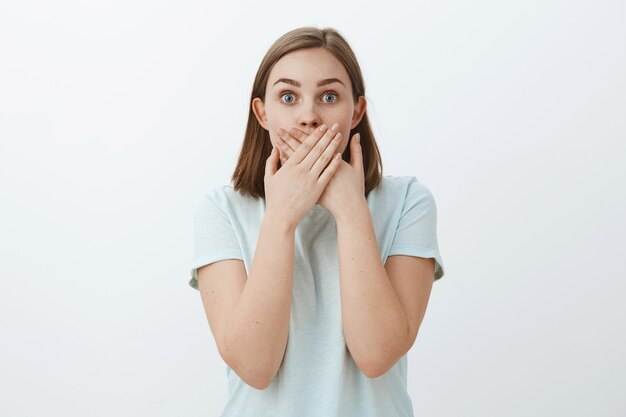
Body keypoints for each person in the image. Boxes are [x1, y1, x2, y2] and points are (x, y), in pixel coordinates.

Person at [188, 26, 445, 417]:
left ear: (356, 111)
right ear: (262, 113)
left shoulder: (408, 201)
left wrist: (351, 210)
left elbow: (377, 356)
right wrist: (281, 218)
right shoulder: (221, 209)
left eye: (329, 96)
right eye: (288, 97)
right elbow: (255, 368)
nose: (308, 117)